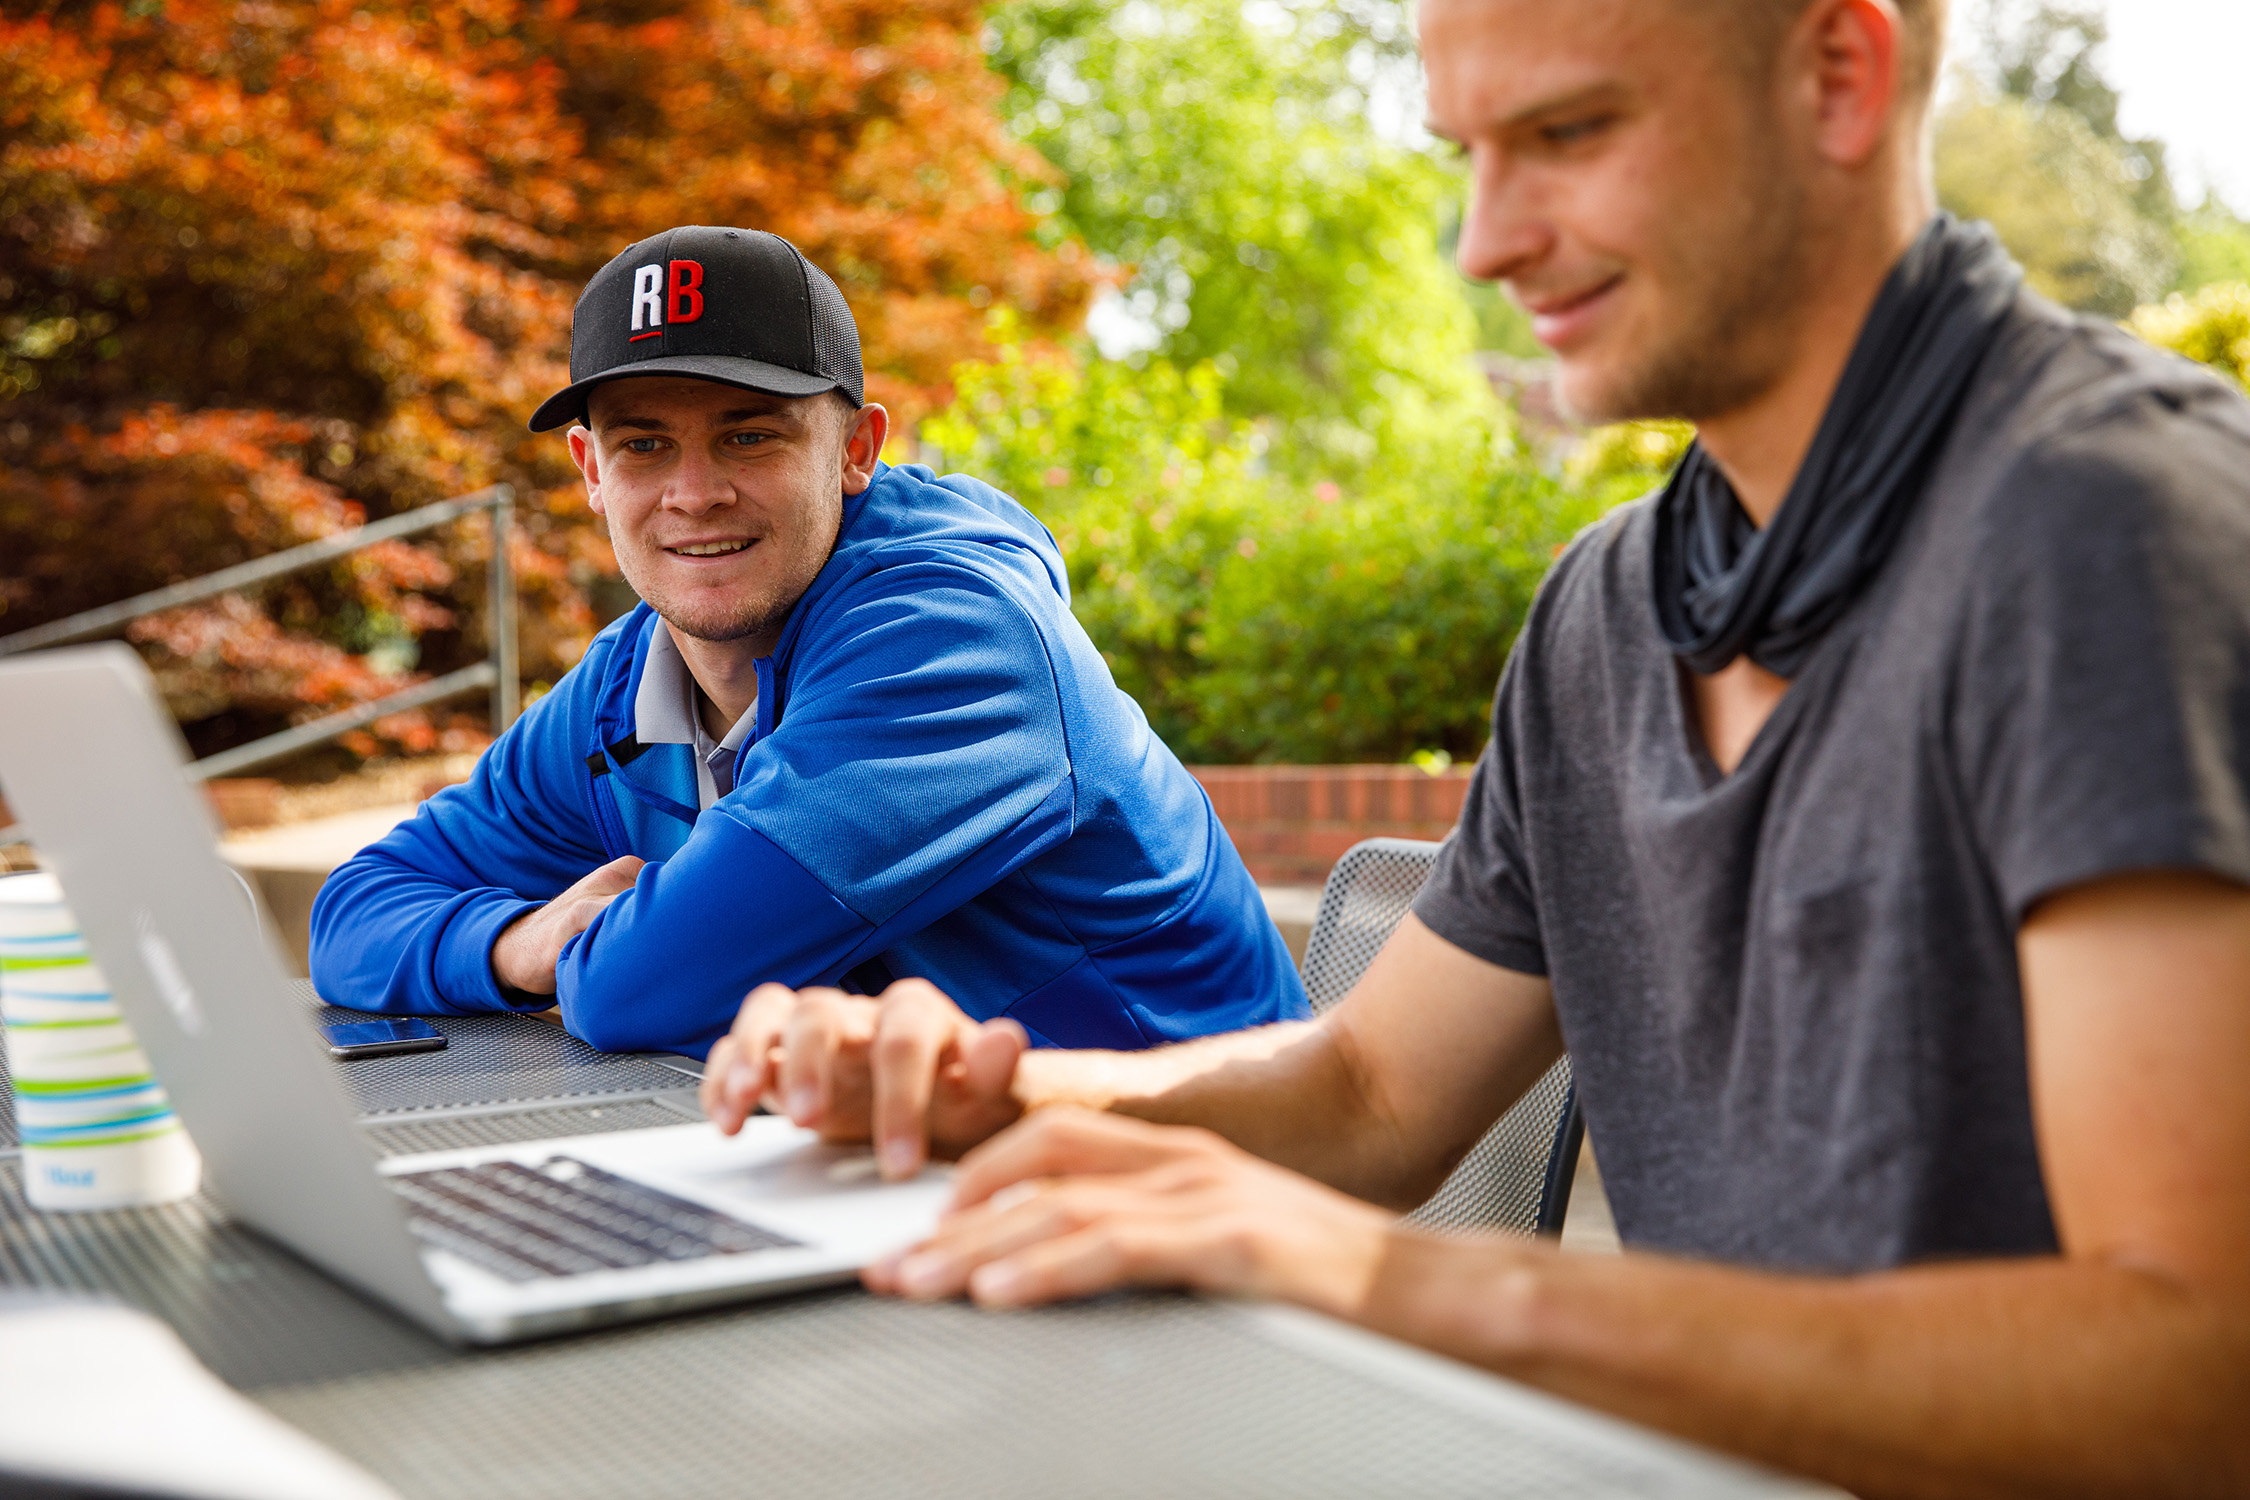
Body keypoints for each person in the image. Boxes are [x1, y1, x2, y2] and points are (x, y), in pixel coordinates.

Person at [697, 1, 2250, 1492]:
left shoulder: (2109, 529)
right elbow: (1373, 1091)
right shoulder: (1611, 608)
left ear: (1837, 74)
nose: (1485, 245)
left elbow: (2198, 1380)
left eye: (1567, 132)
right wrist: (1012, 1101)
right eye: (1467, 156)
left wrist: (1411, 1283)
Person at [309, 225, 1307, 1117]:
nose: (693, 494)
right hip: (922, 1184)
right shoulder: (623, 685)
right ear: (590, 474)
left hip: (1207, 1209)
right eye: (645, 445)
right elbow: (352, 915)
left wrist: (579, 956)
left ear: (855, 450)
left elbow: (646, 984)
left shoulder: (960, 644)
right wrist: (516, 941)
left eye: (750, 433)